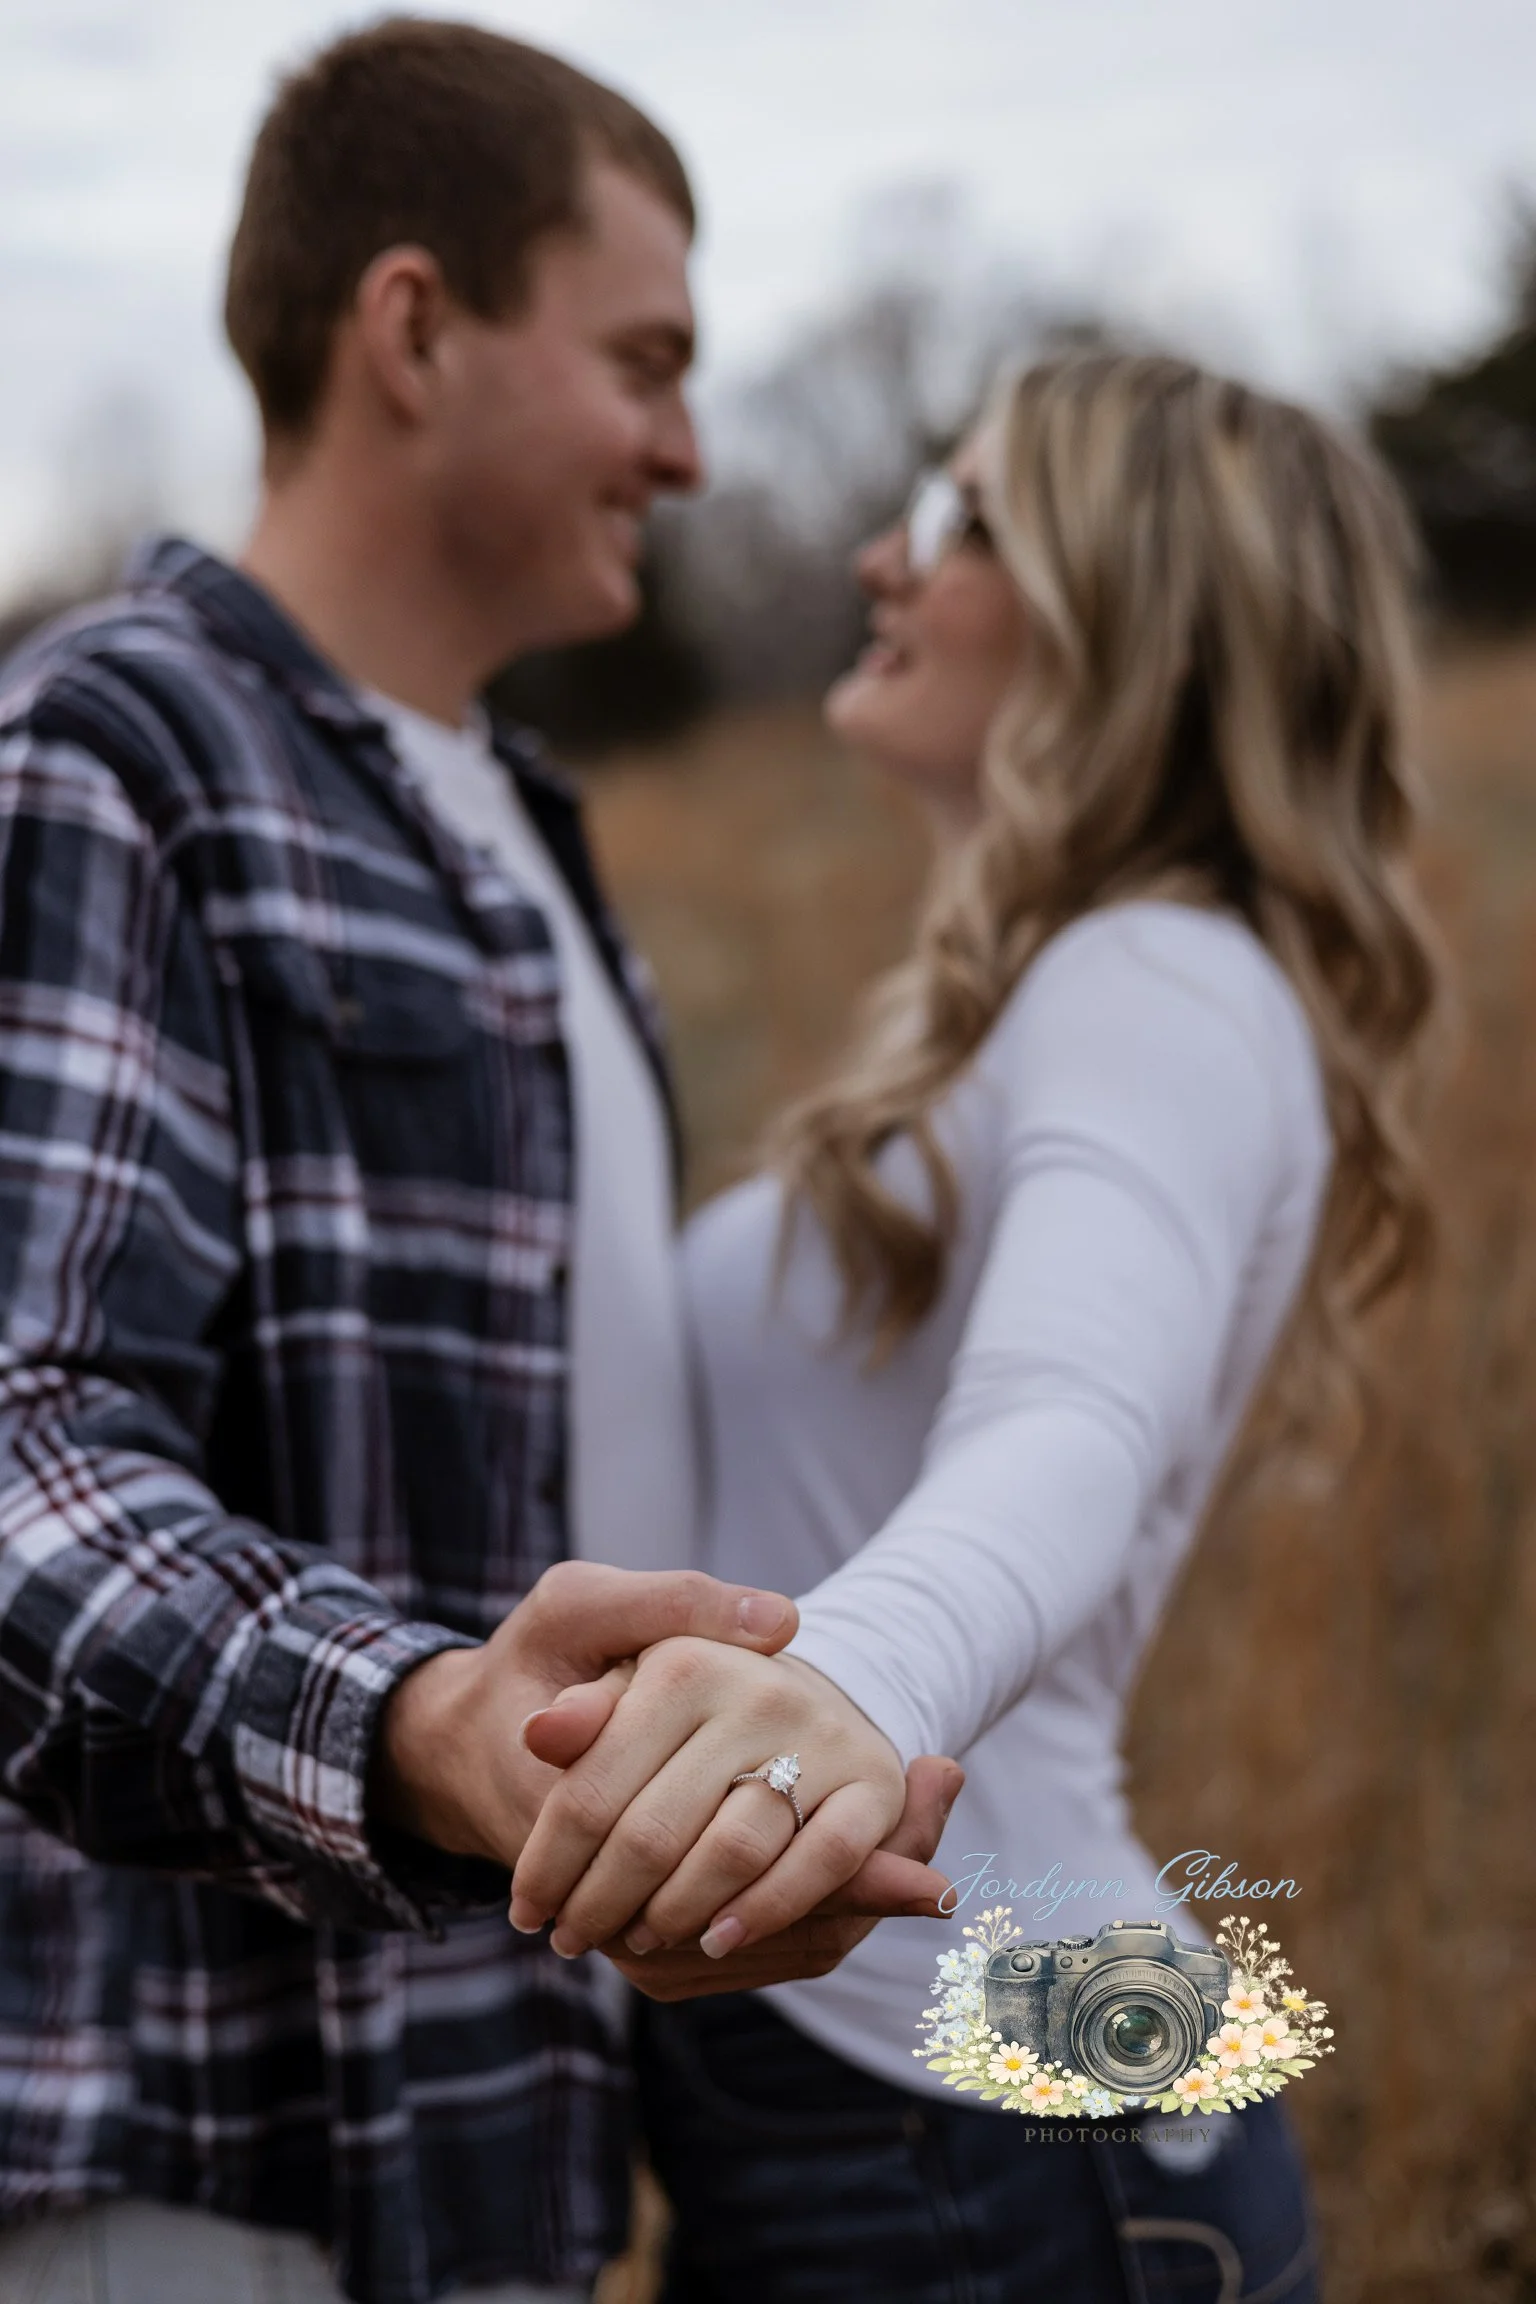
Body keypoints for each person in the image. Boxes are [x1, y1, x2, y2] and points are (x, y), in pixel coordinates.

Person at [0, 22, 956, 2304]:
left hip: (500, 2138)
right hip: (208, 2163)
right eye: (645, 362)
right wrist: (430, 1731)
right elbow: (21, 1448)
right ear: (415, 329)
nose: (688, 449)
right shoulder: (111, 751)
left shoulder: (522, 824)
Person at [515, 352, 1440, 2300]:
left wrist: (852, 1684)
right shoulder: (1057, 997)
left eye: (959, 518)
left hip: (998, 2136)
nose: (881, 555)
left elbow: (1071, 1413)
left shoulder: (1161, 977)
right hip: (925, 2106)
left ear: (1130, 610)